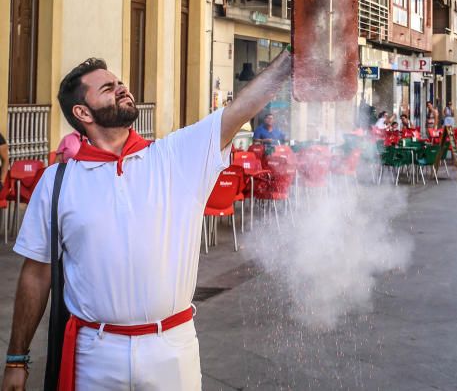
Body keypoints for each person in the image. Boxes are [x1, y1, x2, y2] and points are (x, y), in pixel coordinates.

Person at [2, 51, 291, 391]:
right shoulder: (57, 181)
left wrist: (291, 60)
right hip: (95, 352)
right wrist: (16, 360)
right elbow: (36, 274)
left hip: (171, 348)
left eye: (120, 82)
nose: (122, 88)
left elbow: (239, 110)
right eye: (107, 88)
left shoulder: (174, 156)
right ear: (82, 112)